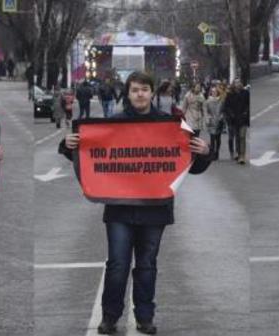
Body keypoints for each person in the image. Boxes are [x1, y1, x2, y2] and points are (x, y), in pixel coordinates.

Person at [59, 71, 212, 335]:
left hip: (155, 209)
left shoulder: (171, 124)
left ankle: (144, 317)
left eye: (144, 89)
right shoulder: (113, 124)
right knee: (117, 264)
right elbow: (92, 157)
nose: (139, 94)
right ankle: (110, 317)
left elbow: (190, 166)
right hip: (120, 208)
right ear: (128, 94)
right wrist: (68, 145)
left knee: (146, 265)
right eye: (134, 90)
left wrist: (205, 153)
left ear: (152, 92)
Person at [222, 79, 250, 164]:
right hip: (234, 119)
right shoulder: (230, 94)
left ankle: (242, 156)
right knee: (237, 137)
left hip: (243, 119)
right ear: (233, 84)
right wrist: (231, 114)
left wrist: (246, 112)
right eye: (236, 82)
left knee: (242, 136)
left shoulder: (246, 93)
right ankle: (238, 153)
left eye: (239, 82)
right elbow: (226, 106)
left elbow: (248, 104)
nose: (238, 84)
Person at [204, 86, 224, 160]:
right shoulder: (208, 101)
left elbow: (223, 110)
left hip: (219, 122)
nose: (214, 93)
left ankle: (217, 152)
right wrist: (208, 118)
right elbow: (206, 111)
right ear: (211, 93)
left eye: (215, 91)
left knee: (218, 139)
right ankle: (212, 154)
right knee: (212, 139)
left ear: (217, 92)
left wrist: (221, 117)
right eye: (212, 91)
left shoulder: (221, 101)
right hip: (211, 122)